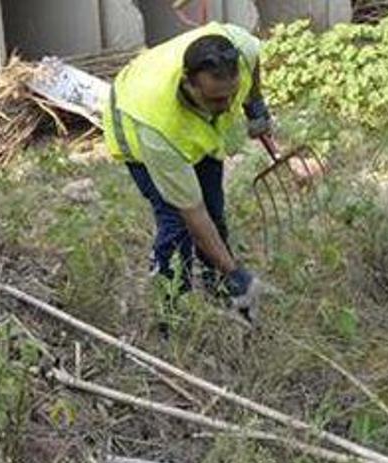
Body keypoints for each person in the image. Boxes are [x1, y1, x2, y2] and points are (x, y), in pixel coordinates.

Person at [103, 22, 272, 322]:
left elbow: (253, 58)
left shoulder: (239, 47)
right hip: (134, 120)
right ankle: (171, 310)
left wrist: (255, 104)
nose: (226, 106)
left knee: (214, 209)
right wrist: (238, 273)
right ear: (189, 83)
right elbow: (193, 212)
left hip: (190, 123)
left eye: (231, 95)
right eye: (216, 99)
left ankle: (218, 287)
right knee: (176, 222)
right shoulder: (157, 128)